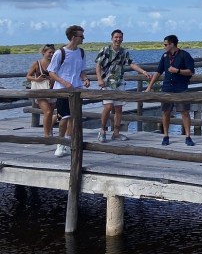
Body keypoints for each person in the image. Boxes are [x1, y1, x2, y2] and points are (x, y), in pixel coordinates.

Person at [95, 30, 151, 143]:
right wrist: (99, 78)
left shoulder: (124, 52)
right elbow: (98, 65)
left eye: (120, 37)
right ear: (112, 38)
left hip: (120, 83)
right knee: (108, 106)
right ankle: (102, 130)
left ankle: (116, 133)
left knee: (119, 108)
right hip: (107, 82)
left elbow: (131, 63)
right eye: (116, 37)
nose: (118, 39)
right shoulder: (105, 50)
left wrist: (143, 72)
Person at [47, 25, 91, 157]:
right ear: (73, 37)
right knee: (64, 118)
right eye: (81, 36)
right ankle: (60, 144)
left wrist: (85, 79)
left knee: (74, 117)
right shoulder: (60, 53)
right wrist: (64, 82)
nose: (83, 38)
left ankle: (68, 140)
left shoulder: (81, 52)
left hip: (77, 90)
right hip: (62, 90)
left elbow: (81, 71)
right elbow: (51, 72)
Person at [145, 35, 196, 146]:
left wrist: (177, 71)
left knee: (185, 112)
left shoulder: (184, 55)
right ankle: (166, 136)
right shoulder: (164, 57)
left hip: (181, 87)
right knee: (165, 111)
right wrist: (149, 87)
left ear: (172, 44)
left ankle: (188, 136)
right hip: (167, 87)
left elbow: (191, 71)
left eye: (165, 44)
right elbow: (158, 72)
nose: (164, 47)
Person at [26, 44, 56, 137]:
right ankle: (46, 135)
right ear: (44, 53)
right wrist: (36, 79)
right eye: (49, 52)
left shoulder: (54, 63)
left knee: (51, 112)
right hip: (40, 90)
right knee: (46, 111)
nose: (51, 54)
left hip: (52, 90)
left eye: (53, 52)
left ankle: (50, 130)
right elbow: (28, 76)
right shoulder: (37, 63)